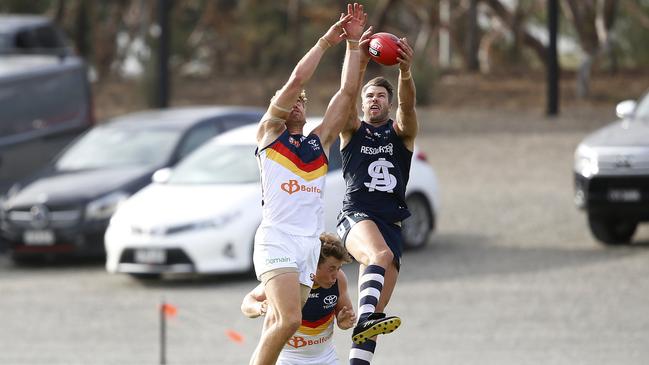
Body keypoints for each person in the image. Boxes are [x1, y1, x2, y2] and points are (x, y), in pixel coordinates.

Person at [249, 4, 366, 365]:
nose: (297, 103)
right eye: (291, 102)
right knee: (289, 320)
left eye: (302, 102)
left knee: (279, 322)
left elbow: (347, 95)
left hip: (309, 244)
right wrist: (327, 41)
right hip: (277, 236)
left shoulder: (319, 143)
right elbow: (297, 81)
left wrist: (354, 45)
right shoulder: (270, 135)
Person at [336, 29, 418, 365]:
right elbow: (346, 93)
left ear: (389, 102)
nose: (374, 99)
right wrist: (357, 60)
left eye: (381, 96)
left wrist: (405, 72)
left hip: (392, 223)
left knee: (374, 315)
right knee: (378, 255)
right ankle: (366, 315)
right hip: (357, 215)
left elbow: (409, 106)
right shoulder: (351, 129)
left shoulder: (402, 133)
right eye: (369, 95)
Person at [242, 233, 356, 365]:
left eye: (338, 268)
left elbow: (345, 319)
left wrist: (343, 322)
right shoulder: (290, 279)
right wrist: (261, 308)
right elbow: (247, 302)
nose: (335, 275)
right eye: (331, 268)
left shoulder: (339, 279)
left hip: (326, 358)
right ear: (314, 264)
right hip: (287, 359)